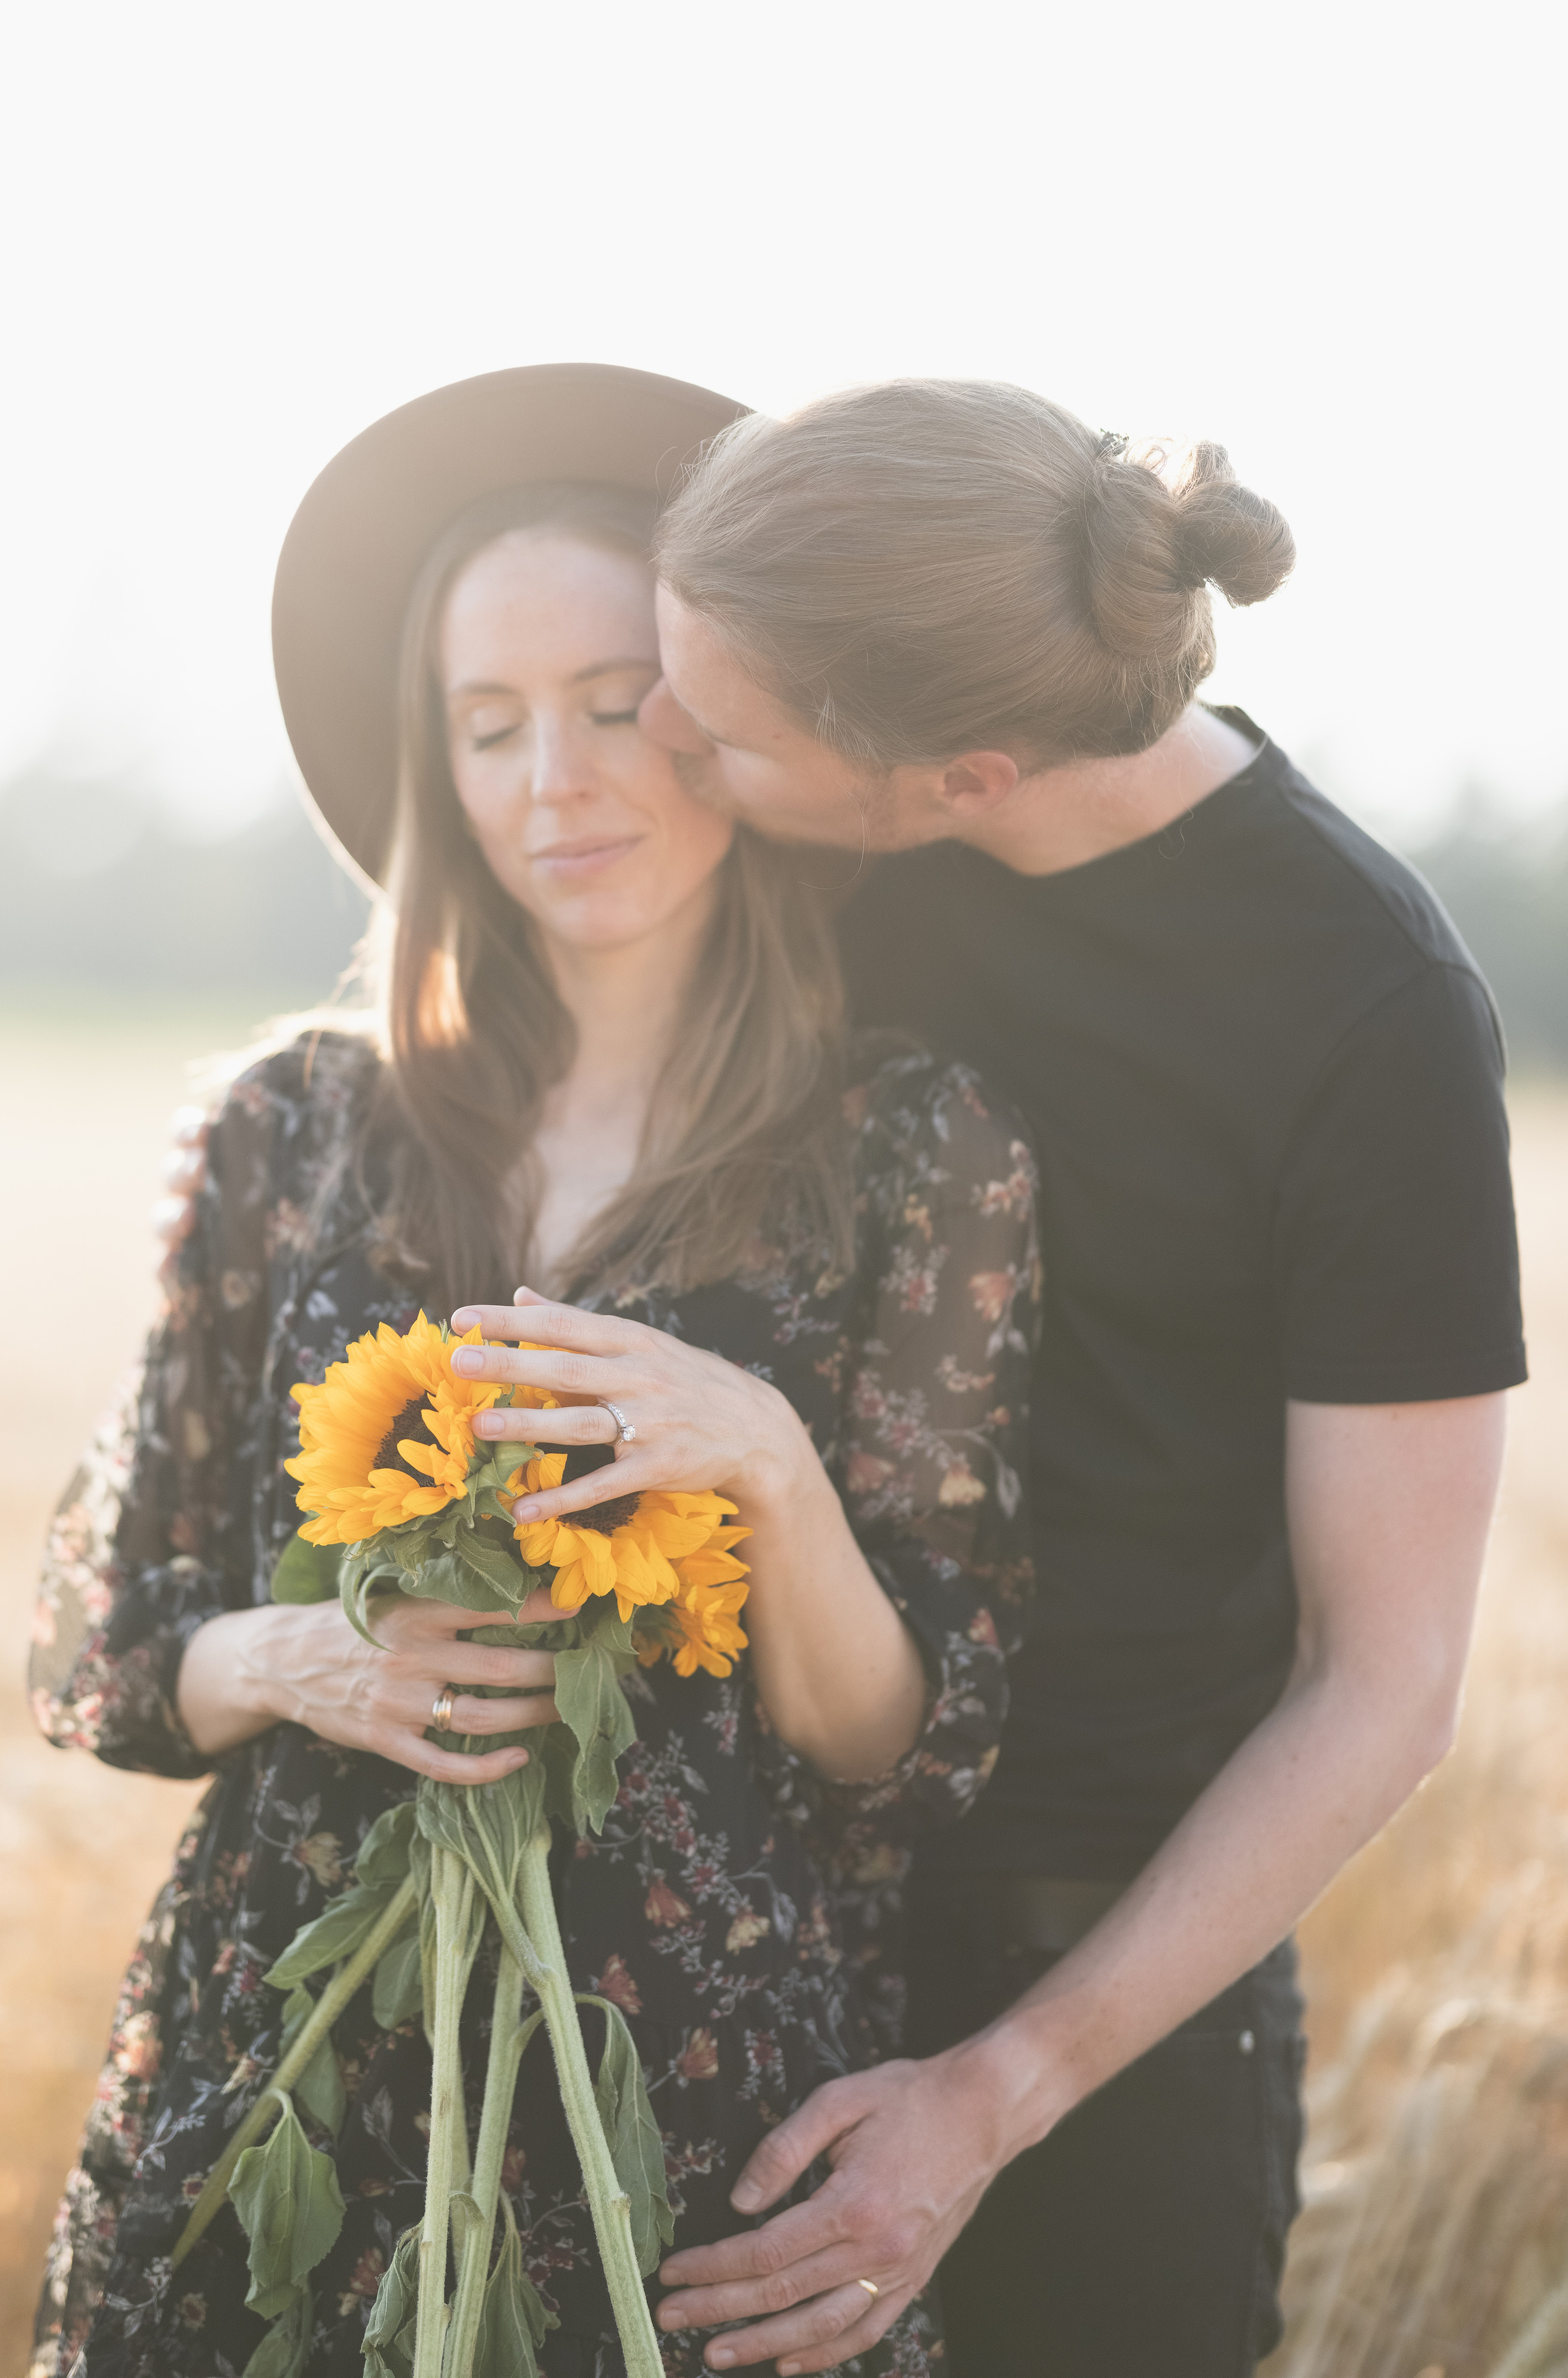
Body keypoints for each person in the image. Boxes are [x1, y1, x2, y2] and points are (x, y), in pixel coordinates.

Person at [27, 367, 1038, 2377]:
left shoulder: (920, 1154)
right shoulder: (284, 1134)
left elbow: (907, 1746)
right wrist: (298, 1657)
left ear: (733, 714)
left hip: (679, 2107)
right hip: (281, 2075)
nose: (553, 778)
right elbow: (94, 1642)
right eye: (488, 729)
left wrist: (765, 1463)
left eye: (614, 702)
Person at [639, 379, 1525, 2377]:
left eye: (723, 727)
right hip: (709, 1912)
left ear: (957, 780)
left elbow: (1381, 1687)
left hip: (1096, 2001)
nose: (663, 739)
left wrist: (998, 2090)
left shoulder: (1373, 1012)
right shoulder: (812, 834)